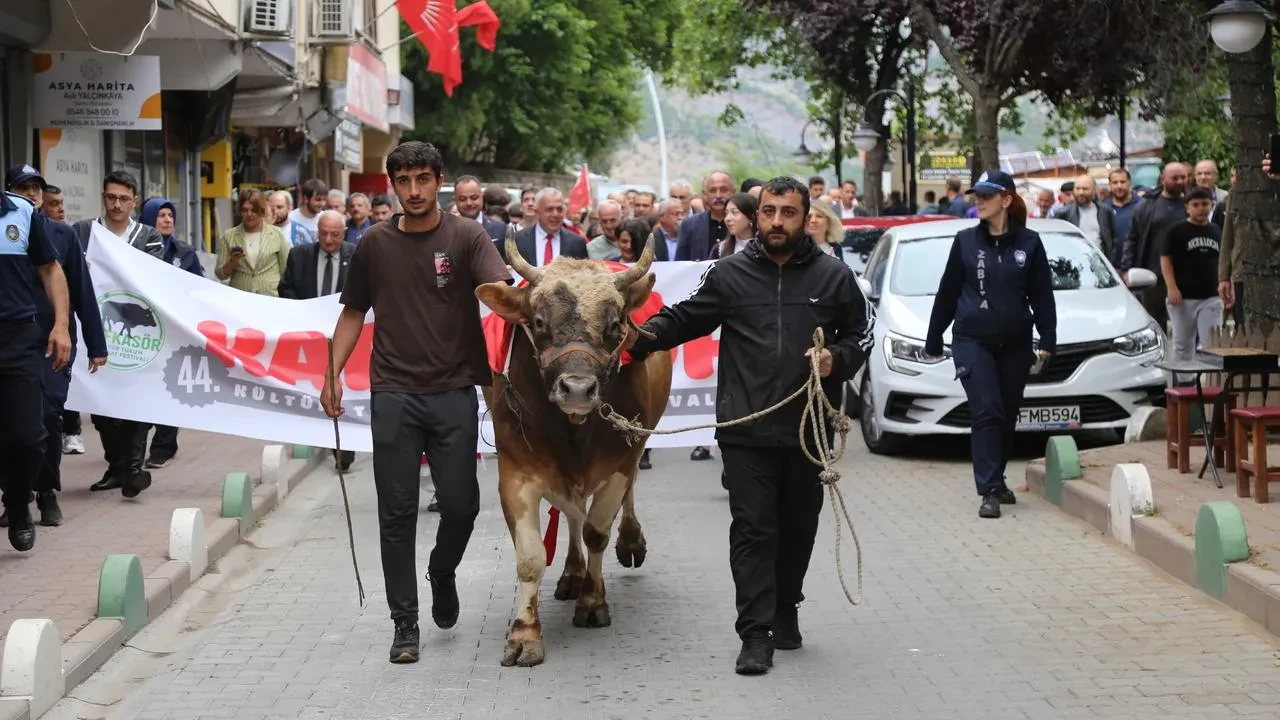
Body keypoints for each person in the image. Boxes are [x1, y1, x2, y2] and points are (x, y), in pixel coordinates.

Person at [625, 176, 876, 676]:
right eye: (769, 211)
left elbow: (862, 334)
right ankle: (755, 634)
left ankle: (786, 608)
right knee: (753, 529)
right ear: (757, 216)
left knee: (799, 528)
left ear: (806, 217)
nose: (777, 221)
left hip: (808, 429)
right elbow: (684, 319)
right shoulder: (729, 274)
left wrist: (837, 358)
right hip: (745, 428)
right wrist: (634, 338)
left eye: (788, 212)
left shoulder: (833, 277)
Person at [321, 141, 512, 664]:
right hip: (394, 394)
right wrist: (331, 374)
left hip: (453, 392)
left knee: (462, 506)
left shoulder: (467, 236)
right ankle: (404, 623)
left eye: (423, 179)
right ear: (393, 185)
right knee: (397, 512)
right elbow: (352, 313)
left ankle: (442, 571)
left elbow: (502, 295)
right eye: (404, 181)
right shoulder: (374, 244)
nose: (414, 191)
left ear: (439, 181)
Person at [924, 171, 1057, 520]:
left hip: (1015, 343)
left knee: (1007, 412)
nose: (979, 202)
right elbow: (948, 292)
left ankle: (997, 479)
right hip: (972, 340)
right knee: (987, 409)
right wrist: (934, 337)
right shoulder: (965, 241)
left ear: (1006, 200)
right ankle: (988, 490)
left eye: (986, 196)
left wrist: (1048, 338)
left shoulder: (1030, 243)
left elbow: (1042, 295)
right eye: (977, 196)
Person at [0, 166, 105, 528]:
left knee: (43, 419)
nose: (31, 193)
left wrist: (91, 341)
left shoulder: (57, 232)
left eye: (37, 188)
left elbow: (79, 288)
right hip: (19, 337)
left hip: (45, 343)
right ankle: (16, 496)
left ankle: (44, 491)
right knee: (9, 428)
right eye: (23, 187)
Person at [72, 171, 161, 498]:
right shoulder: (83, 231)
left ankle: (133, 468)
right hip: (95, 327)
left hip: (135, 333)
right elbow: (67, 270)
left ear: (134, 201)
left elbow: (155, 276)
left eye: (124, 199)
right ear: (103, 197)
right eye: (111, 197)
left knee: (136, 400)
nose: (117, 204)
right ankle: (116, 466)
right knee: (100, 402)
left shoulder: (148, 236)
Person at [0, 171, 72, 550]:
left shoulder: (22, 212)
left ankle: (17, 502)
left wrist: (61, 325)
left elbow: (51, 269)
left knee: (29, 439)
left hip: (18, 339)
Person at [279, 210, 356, 469]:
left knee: (343, 390)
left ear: (344, 233)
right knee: (314, 389)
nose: (329, 240)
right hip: (310, 337)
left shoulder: (356, 255)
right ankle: (317, 435)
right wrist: (305, 313)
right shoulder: (299, 255)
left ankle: (344, 448)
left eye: (335, 234)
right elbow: (286, 289)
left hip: (344, 335)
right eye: (323, 234)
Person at [137, 198, 203, 469]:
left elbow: (198, 288)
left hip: (175, 331)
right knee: (143, 389)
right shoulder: (135, 249)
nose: (167, 220)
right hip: (143, 331)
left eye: (170, 215)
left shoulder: (184, 252)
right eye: (160, 215)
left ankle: (163, 447)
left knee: (170, 387)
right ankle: (133, 449)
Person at [1161, 186, 1222, 380]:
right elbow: (1165, 258)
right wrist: (1171, 287)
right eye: (1196, 205)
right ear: (1187, 207)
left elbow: (1222, 260)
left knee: (1212, 344)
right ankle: (1184, 383)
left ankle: (1210, 382)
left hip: (1211, 296)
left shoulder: (1216, 230)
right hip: (1183, 297)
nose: (1201, 208)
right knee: (1183, 344)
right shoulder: (1176, 231)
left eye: (1205, 204)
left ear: (1212, 205)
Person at [215, 189, 290, 295]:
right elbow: (220, 274)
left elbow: (286, 270)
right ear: (239, 211)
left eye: (254, 210)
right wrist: (232, 262)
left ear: (262, 210)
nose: (249, 214)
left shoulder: (277, 234)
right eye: (244, 210)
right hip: (240, 297)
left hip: (270, 297)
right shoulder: (229, 236)